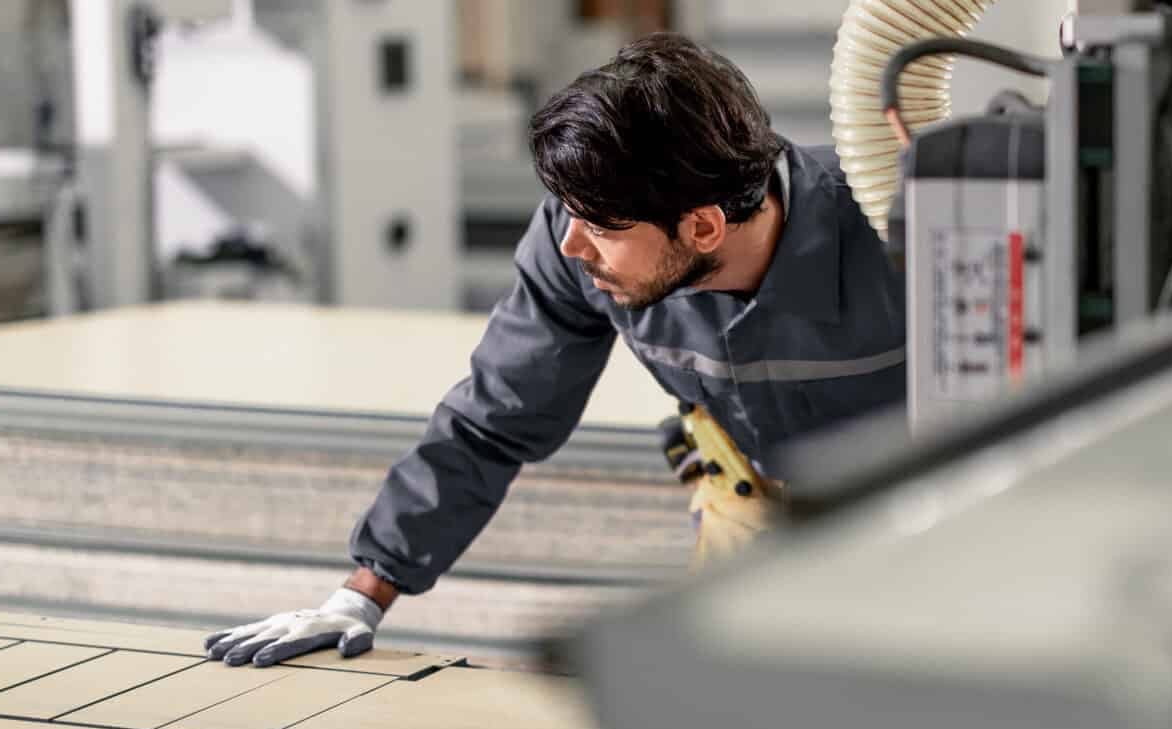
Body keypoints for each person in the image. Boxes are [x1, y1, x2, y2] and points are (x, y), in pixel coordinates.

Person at [205, 33, 906, 666]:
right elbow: (495, 416)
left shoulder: (896, 233)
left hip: (917, 519)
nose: (572, 243)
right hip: (748, 506)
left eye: (600, 226)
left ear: (702, 228)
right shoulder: (580, 238)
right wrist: (360, 594)